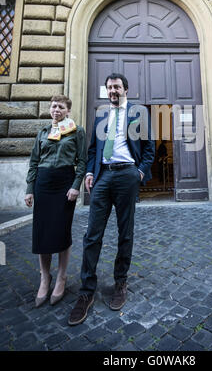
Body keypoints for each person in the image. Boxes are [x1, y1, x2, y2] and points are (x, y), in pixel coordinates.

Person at [68, 73, 155, 326]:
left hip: (127, 174)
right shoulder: (101, 114)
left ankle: (120, 282)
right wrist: (90, 171)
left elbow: (149, 148)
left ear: (126, 89)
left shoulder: (139, 114)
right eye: (109, 87)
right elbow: (94, 148)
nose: (113, 90)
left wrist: (139, 172)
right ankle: (86, 292)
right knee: (92, 234)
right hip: (103, 176)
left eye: (117, 87)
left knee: (125, 232)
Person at [25, 95, 87, 307]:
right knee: (42, 233)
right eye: (54, 106)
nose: (56, 109)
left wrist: (75, 186)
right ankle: (45, 277)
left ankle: (61, 277)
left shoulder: (77, 131)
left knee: (61, 231)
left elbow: (82, 161)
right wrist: (29, 189)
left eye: (61, 107)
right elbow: (34, 162)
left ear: (68, 110)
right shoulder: (42, 132)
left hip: (64, 184)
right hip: (43, 184)